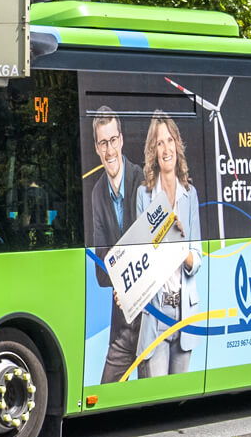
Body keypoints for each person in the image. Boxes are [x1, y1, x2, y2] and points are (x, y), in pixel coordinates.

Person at [134, 115, 201, 377]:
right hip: (156, 312)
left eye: (169, 140)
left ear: (177, 145)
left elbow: (198, 257)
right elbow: (139, 253)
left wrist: (181, 248)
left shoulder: (190, 194)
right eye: (159, 143)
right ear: (154, 151)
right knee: (156, 394)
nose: (166, 148)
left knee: (181, 395)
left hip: (184, 312)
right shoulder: (144, 195)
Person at [86, 110, 147, 383]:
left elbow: (155, 246)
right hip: (123, 320)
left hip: (151, 315)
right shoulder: (97, 193)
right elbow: (101, 269)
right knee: (107, 388)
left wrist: (124, 282)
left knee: (153, 388)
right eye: (103, 143)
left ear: (121, 141)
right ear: (96, 148)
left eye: (113, 140)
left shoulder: (143, 180)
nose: (109, 150)